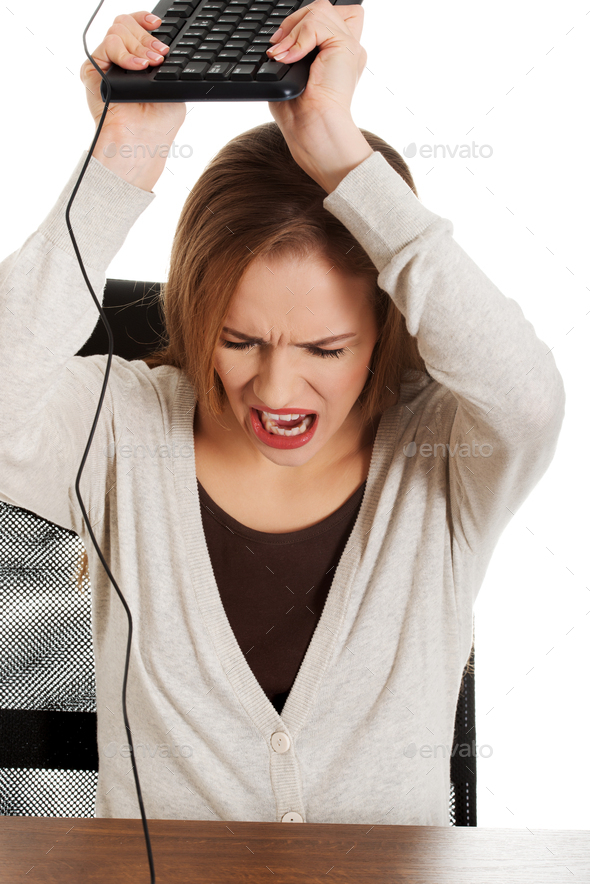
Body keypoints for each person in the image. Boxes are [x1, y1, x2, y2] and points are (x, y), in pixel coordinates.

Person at [0, 1, 565, 826]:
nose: (275, 390)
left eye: (325, 350)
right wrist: (120, 163)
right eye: (239, 340)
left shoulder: (444, 449)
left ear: (389, 331)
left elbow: (531, 396)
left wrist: (343, 157)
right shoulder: (121, 429)